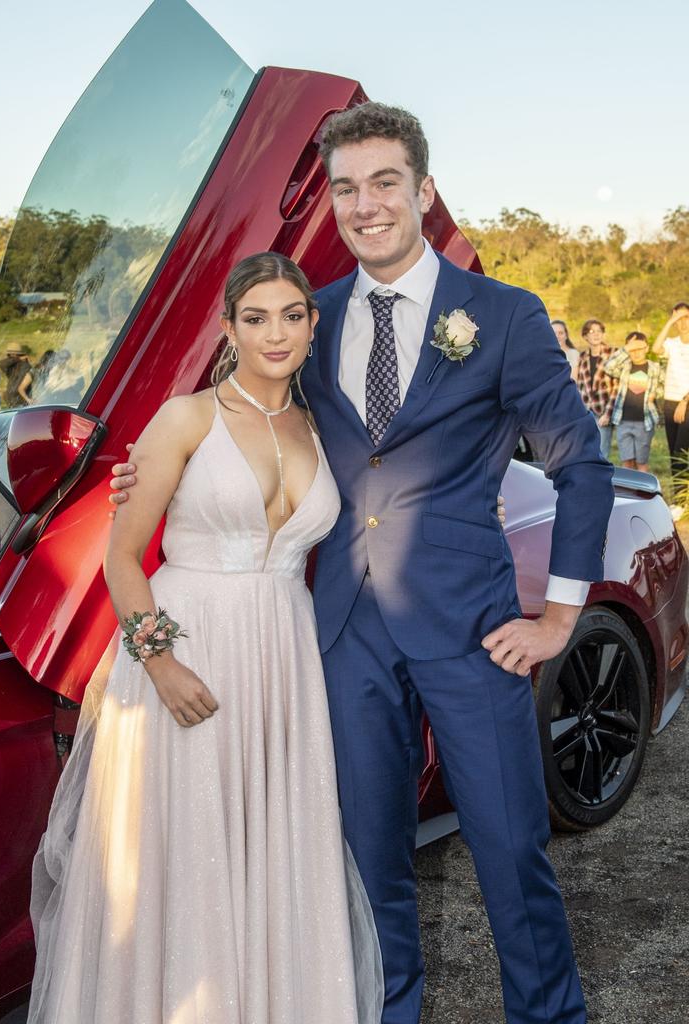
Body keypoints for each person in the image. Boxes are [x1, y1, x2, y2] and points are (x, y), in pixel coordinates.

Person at [112, 103, 614, 1024]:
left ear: (422, 191)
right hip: (337, 639)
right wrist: (143, 478)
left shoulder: (502, 316)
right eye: (346, 187)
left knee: (510, 855)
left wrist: (560, 614)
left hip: (475, 633)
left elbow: (581, 464)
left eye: (386, 182)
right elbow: (242, 426)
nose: (366, 204)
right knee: (367, 862)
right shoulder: (312, 317)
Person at [27, 254, 384, 1024]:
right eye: (255, 318)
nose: (275, 333)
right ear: (228, 328)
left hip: (282, 664)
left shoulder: (326, 427)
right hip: (185, 656)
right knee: (182, 860)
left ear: (313, 323)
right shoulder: (186, 419)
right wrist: (160, 664)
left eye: (292, 314)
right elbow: (122, 557)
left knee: (274, 853)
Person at [601, 332, 664, 472]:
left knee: (641, 461)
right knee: (627, 461)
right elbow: (608, 367)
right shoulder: (625, 367)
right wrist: (625, 349)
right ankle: (629, 492)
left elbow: (662, 386)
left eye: (639, 348)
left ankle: (642, 492)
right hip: (624, 421)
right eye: (632, 349)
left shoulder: (654, 368)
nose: (636, 353)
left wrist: (655, 393)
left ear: (647, 348)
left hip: (644, 421)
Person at [652, 302, 689, 506]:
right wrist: (671, 320)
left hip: (686, 402)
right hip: (670, 402)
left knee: (682, 450)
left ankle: (684, 500)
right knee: (673, 452)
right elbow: (656, 348)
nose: (682, 323)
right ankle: (679, 499)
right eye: (678, 319)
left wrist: (685, 401)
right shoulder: (672, 343)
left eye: (686, 318)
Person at [576, 318, 615, 458]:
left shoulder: (612, 354)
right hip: (586, 411)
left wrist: (608, 414)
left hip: (603, 411)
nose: (596, 334)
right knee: (585, 451)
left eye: (599, 331)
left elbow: (616, 387)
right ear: (585, 336)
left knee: (602, 453)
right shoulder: (582, 357)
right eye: (592, 331)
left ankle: (601, 480)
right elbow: (580, 385)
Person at [0, 342, 32, 407]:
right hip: (15, 399)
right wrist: (18, 359)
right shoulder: (10, 366)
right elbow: (1, 363)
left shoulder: (24, 365)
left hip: (20, 399)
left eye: (10, 355)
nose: (9, 356)